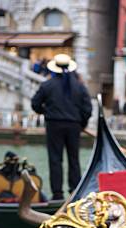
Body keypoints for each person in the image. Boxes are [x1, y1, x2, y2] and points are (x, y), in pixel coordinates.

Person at [31, 53, 92, 201]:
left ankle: (57, 195)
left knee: (55, 159)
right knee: (74, 159)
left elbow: (35, 104)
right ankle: (75, 191)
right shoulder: (80, 86)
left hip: (54, 124)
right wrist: (81, 123)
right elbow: (88, 109)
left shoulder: (47, 85)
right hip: (73, 126)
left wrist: (46, 112)